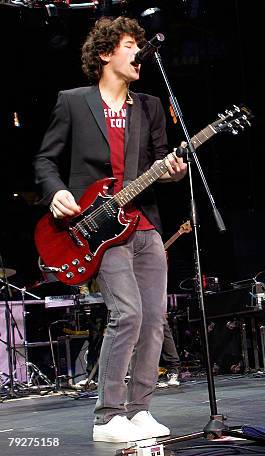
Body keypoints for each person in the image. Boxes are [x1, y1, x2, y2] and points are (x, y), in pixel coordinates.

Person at [33, 17, 187, 442]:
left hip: (144, 222)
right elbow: (45, 161)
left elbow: (161, 163)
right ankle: (107, 416)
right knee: (128, 314)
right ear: (105, 53)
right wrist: (56, 192)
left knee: (155, 318)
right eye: (129, 44)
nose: (138, 52)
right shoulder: (73, 102)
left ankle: (139, 410)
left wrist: (172, 171)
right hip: (95, 227)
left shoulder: (151, 105)